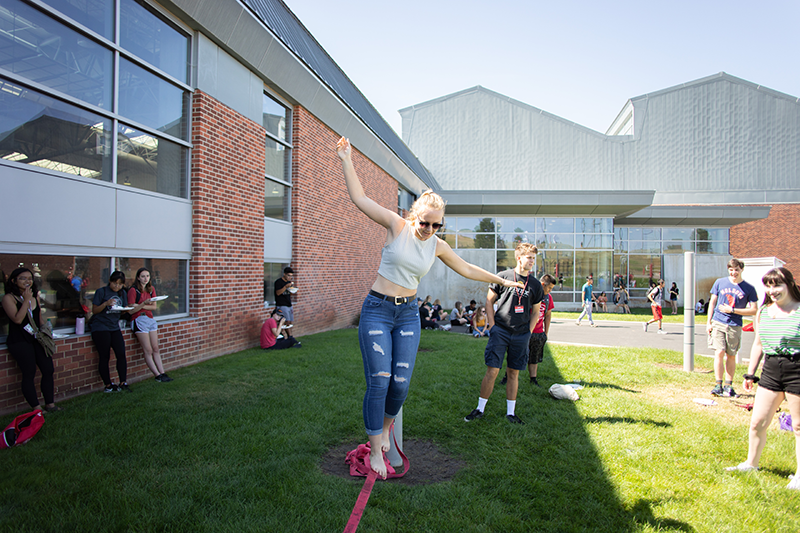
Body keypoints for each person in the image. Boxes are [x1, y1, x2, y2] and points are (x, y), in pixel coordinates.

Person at [336, 136, 523, 478]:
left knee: (401, 384)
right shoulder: (397, 226)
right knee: (379, 381)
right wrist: (347, 158)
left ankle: (387, 430)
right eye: (425, 222)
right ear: (414, 215)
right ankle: (376, 448)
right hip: (378, 309)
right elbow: (359, 198)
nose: (430, 229)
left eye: (437, 225)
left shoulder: (436, 244)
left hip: (408, 313)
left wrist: (503, 280)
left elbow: (466, 268)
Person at [724, 267, 800, 490]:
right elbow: (758, 344)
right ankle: (751, 463)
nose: (772, 290)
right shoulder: (764, 311)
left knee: (798, 426)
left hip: (797, 368)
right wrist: (751, 372)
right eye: (768, 285)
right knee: (758, 422)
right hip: (772, 370)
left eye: (777, 285)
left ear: (790, 284)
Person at [464, 242, 543, 425]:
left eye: (533, 258)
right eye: (529, 257)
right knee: (492, 370)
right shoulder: (503, 277)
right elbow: (489, 302)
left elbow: (536, 312)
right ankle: (480, 409)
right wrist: (492, 326)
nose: (532, 261)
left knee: (513, 373)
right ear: (519, 257)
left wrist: (528, 333)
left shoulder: (535, 284)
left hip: (521, 334)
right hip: (501, 331)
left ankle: (510, 413)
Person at [1, 268, 62, 412]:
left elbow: (38, 318)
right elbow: (17, 319)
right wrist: (26, 300)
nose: (27, 281)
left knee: (48, 369)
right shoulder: (8, 298)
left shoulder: (34, 296)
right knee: (29, 372)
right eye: (23, 278)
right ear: (13, 281)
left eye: (30, 278)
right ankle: (36, 408)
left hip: (36, 338)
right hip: (19, 340)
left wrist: (47, 331)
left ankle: (50, 405)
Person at [707, 258, 759, 397]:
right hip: (718, 322)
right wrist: (709, 322)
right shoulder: (720, 282)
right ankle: (718, 384)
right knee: (719, 352)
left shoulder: (749, 288)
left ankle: (728, 385)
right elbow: (712, 302)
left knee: (731, 355)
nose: (733, 272)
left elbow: (754, 309)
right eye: (731, 269)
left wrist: (733, 310)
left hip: (734, 325)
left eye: (736, 270)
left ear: (742, 270)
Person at [91, 271, 147, 393]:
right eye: (115, 283)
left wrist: (127, 309)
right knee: (104, 356)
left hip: (114, 327)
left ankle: (123, 382)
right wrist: (106, 304)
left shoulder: (122, 293)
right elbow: (94, 310)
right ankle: (108, 385)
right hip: (101, 328)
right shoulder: (101, 292)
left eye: (120, 284)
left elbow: (122, 311)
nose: (117, 286)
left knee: (121, 353)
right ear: (110, 281)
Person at [128, 268, 172, 383]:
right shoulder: (133, 290)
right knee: (148, 350)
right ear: (138, 277)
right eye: (143, 276)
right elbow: (131, 311)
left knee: (155, 348)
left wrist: (139, 305)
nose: (145, 278)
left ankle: (163, 373)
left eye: (147, 276)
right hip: (138, 319)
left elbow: (153, 307)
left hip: (150, 319)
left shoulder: (151, 289)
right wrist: (143, 304)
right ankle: (157, 375)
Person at [528, 274, 556, 386]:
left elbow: (548, 315)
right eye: (549, 288)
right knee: (517, 355)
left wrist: (546, 332)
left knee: (534, 356)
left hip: (538, 332)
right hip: (525, 331)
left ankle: (533, 379)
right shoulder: (531, 294)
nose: (550, 291)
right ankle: (507, 377)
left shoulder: (548, 298)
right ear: (543, 284)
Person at [274, 267, 298, 344]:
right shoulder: (279, 282)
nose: (290, 277)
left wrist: (291, 290)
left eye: (291, 276)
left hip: (289, 304)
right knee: (285, 322)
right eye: (288, 275)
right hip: (282, 305)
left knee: (290, 322)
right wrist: (285, 287)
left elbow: (289, 293)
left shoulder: (289, 282)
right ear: (284, 274)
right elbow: (278, 293)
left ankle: (289, 337)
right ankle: (288, 337)